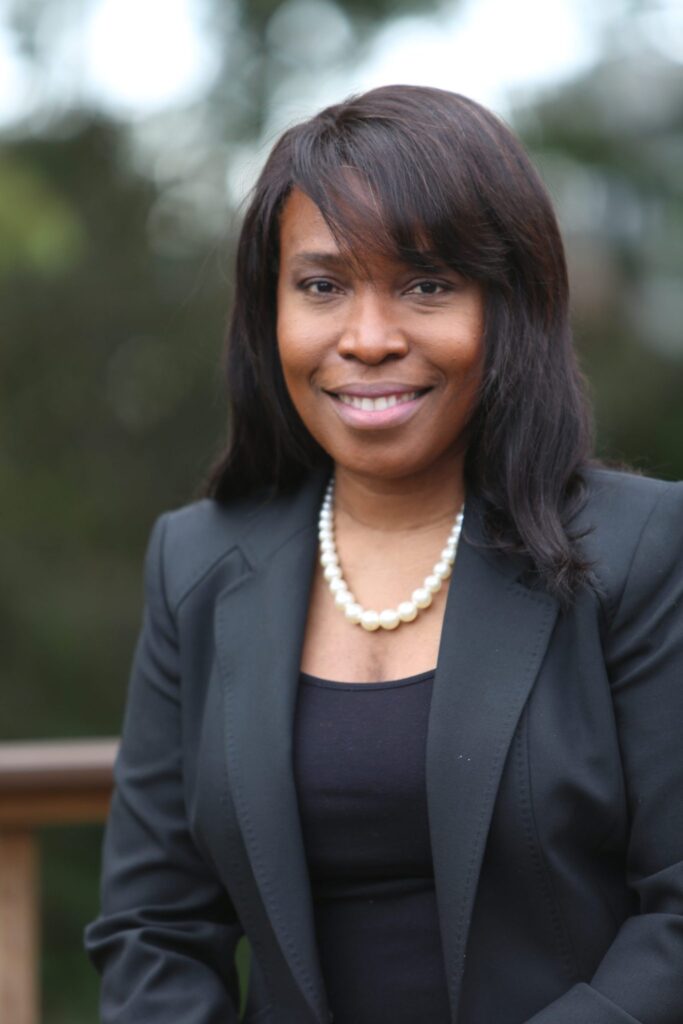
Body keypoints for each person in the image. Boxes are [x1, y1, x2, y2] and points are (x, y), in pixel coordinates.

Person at [83, 85, 683, 1024]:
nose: (367, 340)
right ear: (269, 311)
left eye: (426, 285)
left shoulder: (644, 551)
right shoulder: (194, 562)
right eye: (321, 286)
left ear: (509, 304)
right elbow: (152, 928)